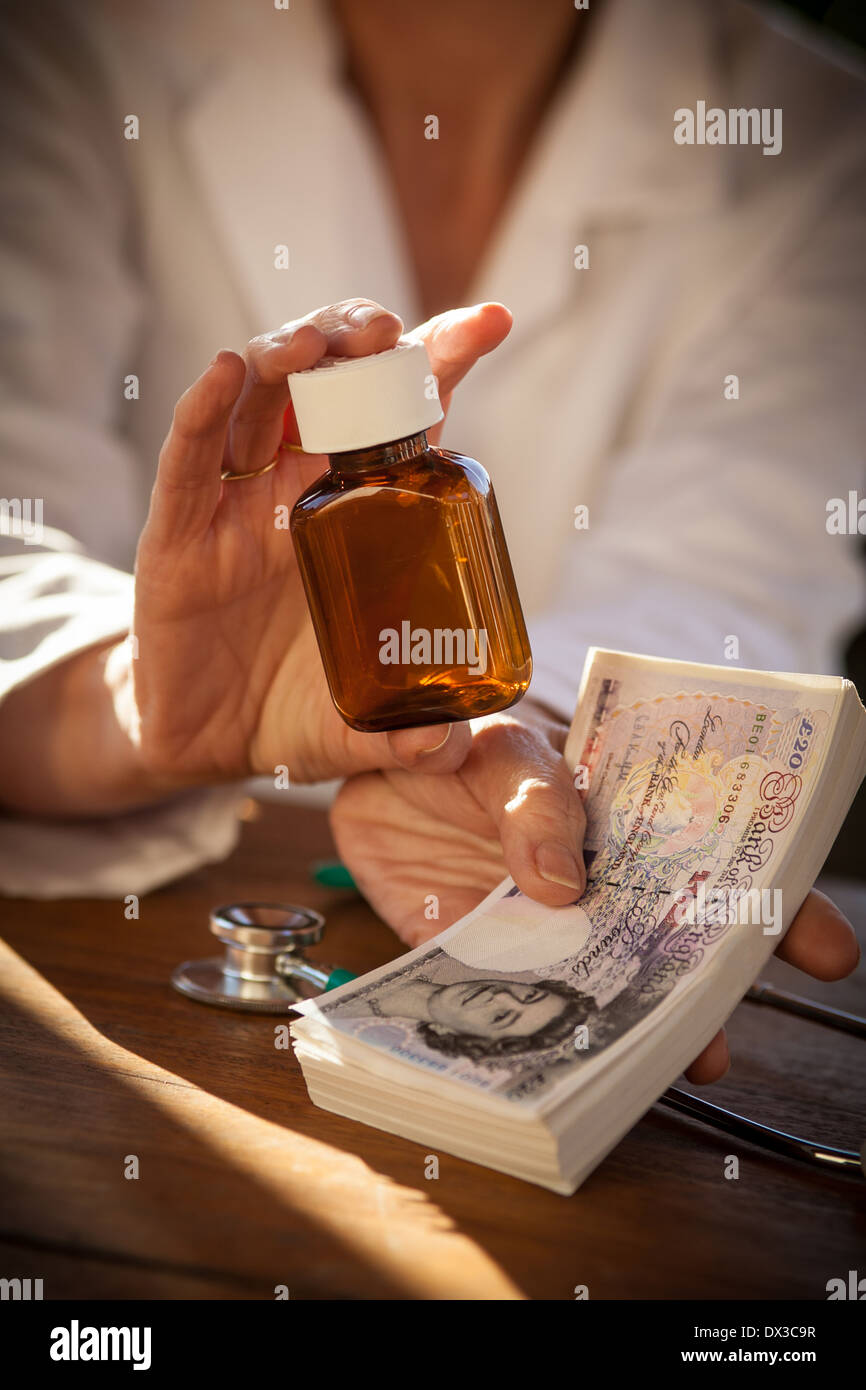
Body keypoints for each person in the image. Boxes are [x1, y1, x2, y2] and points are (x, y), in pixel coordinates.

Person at [0, 0, 863, 1086]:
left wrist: (515, 748)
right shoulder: (58, 42)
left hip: (481, 875)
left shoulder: (820, 137)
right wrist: (140, 701)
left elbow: (730, 583)